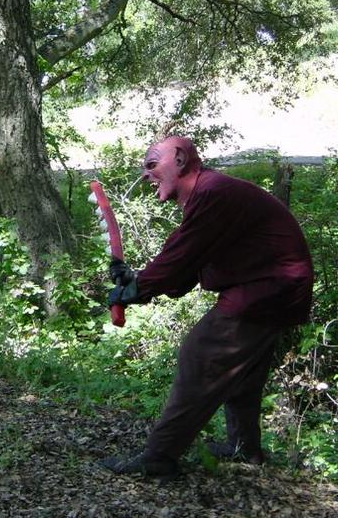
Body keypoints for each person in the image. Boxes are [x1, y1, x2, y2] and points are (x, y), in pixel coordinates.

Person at [100, 135, 313, 479]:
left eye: (152, 164)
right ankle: (244, 448)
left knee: (201, 354)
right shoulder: (207, 196)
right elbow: (187, 262)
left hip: (266, 288)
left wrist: (134, 290)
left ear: (180, 159)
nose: (145, 174)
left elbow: (180, 258)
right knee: (243, 374)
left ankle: (159, 458)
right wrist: (137, 282)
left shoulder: (213, 193)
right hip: (275, 288)